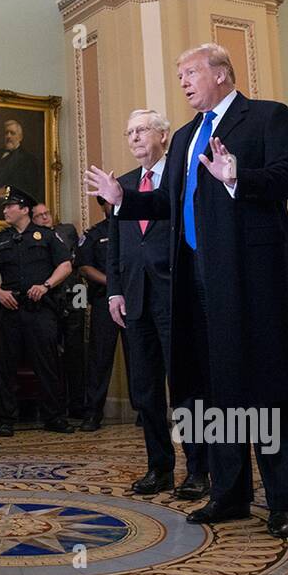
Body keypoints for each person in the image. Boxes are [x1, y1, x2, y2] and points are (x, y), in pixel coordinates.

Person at [85, 43, 288, 539]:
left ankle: (282, 502)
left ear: (222, 74)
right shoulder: (185, 136)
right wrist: (124, 200)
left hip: (248, 279)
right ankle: (229, 495)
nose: (183, 81)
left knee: (262, 390)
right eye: (179, 74)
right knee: (211, 391)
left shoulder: (267, 117)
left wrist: (237, 176)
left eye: (191, 72)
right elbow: (166, 200)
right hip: (195, 280)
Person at [106, 109, 206, 497]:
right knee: (145, 391)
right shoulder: (125, 184)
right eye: (129, 131)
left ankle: (198, 471)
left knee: (186, 387)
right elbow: (116, 245)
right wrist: (115, 290)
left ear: (163, 136)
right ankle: (159, 468)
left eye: (142, 130)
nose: (133, 137)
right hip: (136, 301)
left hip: (176, 296)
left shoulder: (181, 179)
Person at [0, 188, 73, 434]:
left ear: (24, 209)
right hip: (10, 308)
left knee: (47, 364)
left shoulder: (46, 236)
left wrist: (46, 286)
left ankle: (54, 417)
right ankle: (5, 419)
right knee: (5, 366)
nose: (4, 210)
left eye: (9, 206)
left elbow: (65, 265)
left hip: (41, 309)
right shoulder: (0, 240)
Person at [33, 202, 86, 425]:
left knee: (76, 351)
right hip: (50, 298)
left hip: (75, 293)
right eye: (40, 216)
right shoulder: (35, 238)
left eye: (47, 213)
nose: (45, 217)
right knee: (52, 355)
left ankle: (78, 405)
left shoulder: (66, 231)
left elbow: (76, 261)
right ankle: (55, 407)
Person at [75, 197, 125, 432]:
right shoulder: (94, 234)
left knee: (140, 355)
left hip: (134, 300)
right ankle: (93, 413)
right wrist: (114, 284)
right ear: (102, 205)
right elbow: (84, 267)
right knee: (99, 357)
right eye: (107, 202)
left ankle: (145, 411)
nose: (112, 206)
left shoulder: (131, 226)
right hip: (104, 300)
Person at [0, 118, 44, 220]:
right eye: (6, 133)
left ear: (20, 137)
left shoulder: (28, 160)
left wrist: (3, 193)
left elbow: (28, 189)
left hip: (12, 214)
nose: (8, 136)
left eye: (12, 133)